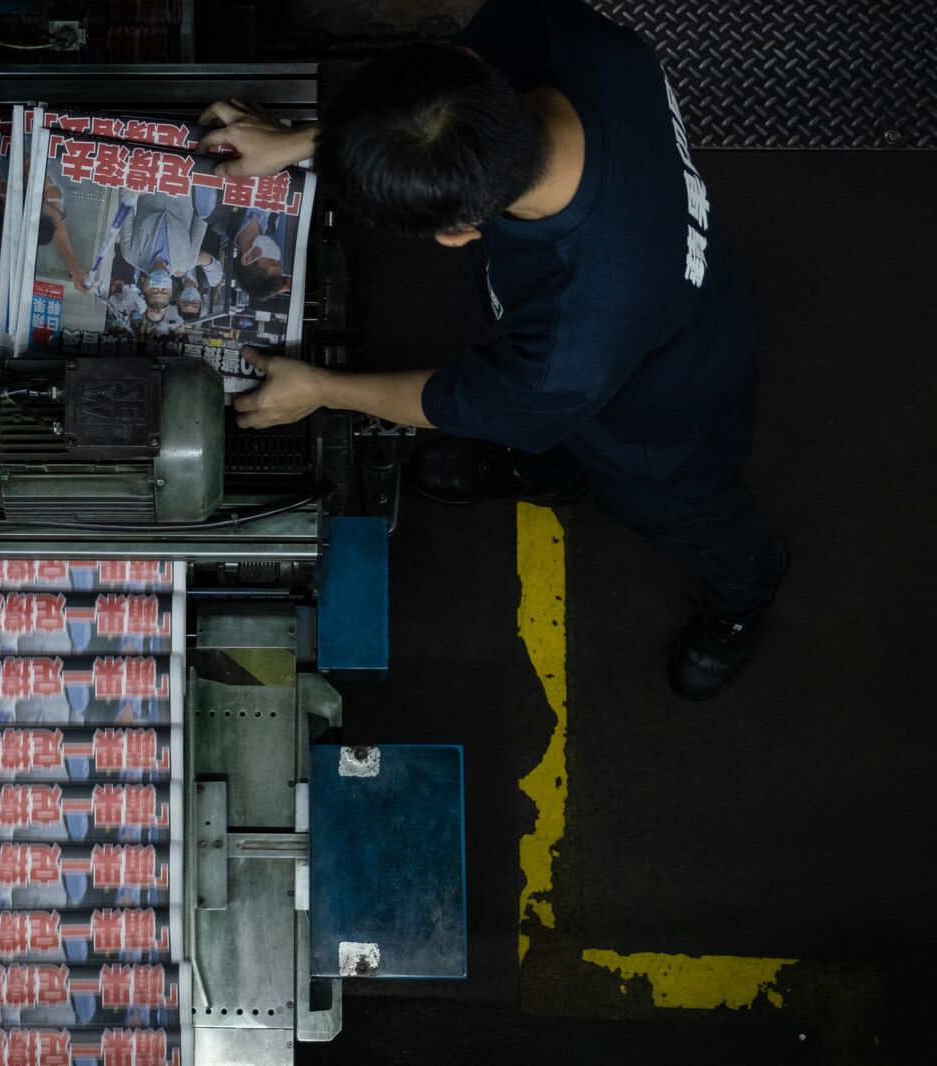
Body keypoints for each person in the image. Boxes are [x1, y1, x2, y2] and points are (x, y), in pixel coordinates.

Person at [199, 0, 787, 701]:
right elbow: (434, 111)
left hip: (663, 420)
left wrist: (321, 388)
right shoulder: (568, 37)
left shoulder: (566, 351)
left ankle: (744, 597)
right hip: (686, 286)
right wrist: (298, 141)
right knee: (547, 434)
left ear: (458, 234)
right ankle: (549, 470)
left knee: (695, 517)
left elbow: (454, 399)